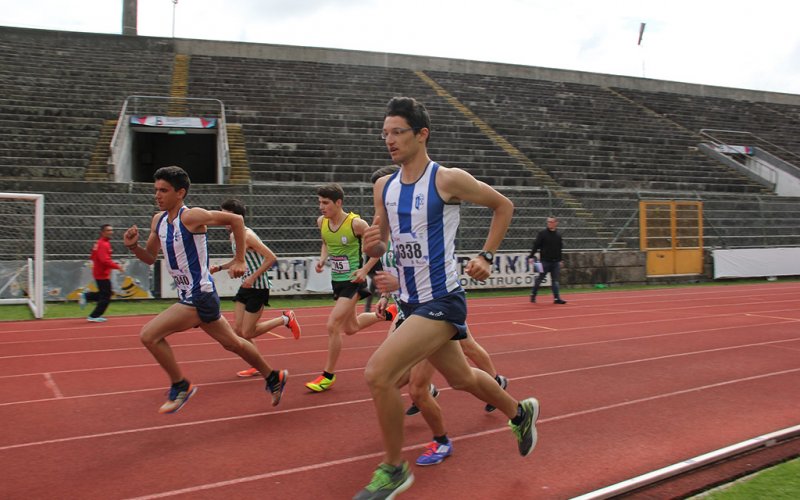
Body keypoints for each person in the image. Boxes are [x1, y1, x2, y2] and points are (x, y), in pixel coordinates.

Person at [355, 97, 540, 499]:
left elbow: (502, 206)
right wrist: (373, 245)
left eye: (398, 132)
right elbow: (381, 241)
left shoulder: (447, 179)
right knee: (460, 378)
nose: (389, 140)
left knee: (378, 374)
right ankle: (519, 412)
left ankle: (393, 469)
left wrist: (487, 255)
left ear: (422, 134)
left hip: (443, 298)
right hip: (410, 302)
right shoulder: (383, 186)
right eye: (385, 133)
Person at [123, 166, 288, 414]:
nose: (157, 195)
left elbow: (237, 219)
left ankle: (181, 385)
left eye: (164, 190)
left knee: (149, 335)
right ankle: (273, 376)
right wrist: (134, 247)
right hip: (189, 294)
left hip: (198, 294)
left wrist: (241, 259)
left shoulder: (191, 217)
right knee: (234, 343)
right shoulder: (158, 220)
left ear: (180, 193)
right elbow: (149, 258)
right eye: (156, 190)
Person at [306, 183, 397, 393]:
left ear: (339, 203)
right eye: (319, 202)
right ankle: (386, 314)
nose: (321, 207)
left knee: (333, 325)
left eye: (325, 203)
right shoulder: (322, 222)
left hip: (354, 281)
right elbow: (326, 242)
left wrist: (365, 270)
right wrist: (322, 259)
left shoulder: (356, 224)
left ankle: (327, 375)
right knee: (351, 327)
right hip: (337, 280)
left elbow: (380, 246)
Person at [209, 198, 302, 378]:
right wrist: (219, 268)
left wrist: (252, 278)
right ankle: (255, 364)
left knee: (248, 332)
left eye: (225, 215)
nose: (221, 219)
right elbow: (239, 260)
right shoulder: (233, 236)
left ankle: (285, 319)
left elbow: (271, 257)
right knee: (237, 330)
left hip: (258, 287)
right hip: (246, 286)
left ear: (237, 217)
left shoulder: (248, 235)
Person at [79, 224, 122, 323]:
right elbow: (104, 260)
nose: (111, 232)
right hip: (102, 274)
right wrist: (117, 267)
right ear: (102, 232)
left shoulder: (101, 243)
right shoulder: (103, 244)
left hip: (100, 272)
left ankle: (86, 296)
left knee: (106, 293)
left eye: (111, 230)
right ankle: (94, 315)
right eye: (108, 230)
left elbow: (93, 256)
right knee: (106, 296)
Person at [529, 216, 567, 304]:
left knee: (555, 281)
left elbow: (559, 249)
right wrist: (531, 256)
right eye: (548, 222)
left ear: (556, 223)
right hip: (544, 262)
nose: (549, 223)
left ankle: (557, 298)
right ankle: (533, 294)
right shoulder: (542, 234)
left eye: (551, 222)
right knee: (540, 278)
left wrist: (560, 260)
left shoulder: (558, 235)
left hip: (555, 262)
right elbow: (536, 246)